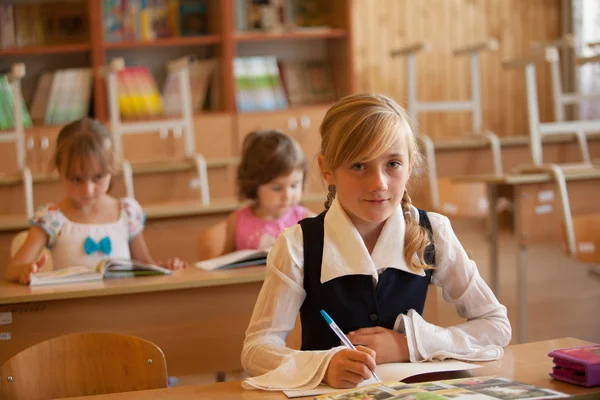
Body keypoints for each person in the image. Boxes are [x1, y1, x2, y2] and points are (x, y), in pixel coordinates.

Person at [241, 94, 511, 389]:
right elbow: (256, 349)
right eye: (359, 166)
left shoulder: (434, 232)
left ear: (410, 165)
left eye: (393, 163)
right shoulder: (298, 246)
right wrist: (322, 366)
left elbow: (495, 326)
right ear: (326, 169)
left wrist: (409, 345)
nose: (379, 183)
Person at [6, 118, 186, 284]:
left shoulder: (127, 213)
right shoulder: (51, 218)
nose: (88, 190)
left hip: (124, 309)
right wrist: (25, 269)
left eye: (98, 177)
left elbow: (146, 266)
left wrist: (166, 267)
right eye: (76, 179)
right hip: (71, 312)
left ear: (111, 168)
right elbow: (11, 270)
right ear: (60, 171)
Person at [199, 130, 314, 260]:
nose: (287, 195)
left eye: (294, 185)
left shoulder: (307, 220)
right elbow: (224, 263)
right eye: (277, 188)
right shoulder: (237, 221)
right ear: (254, 184)